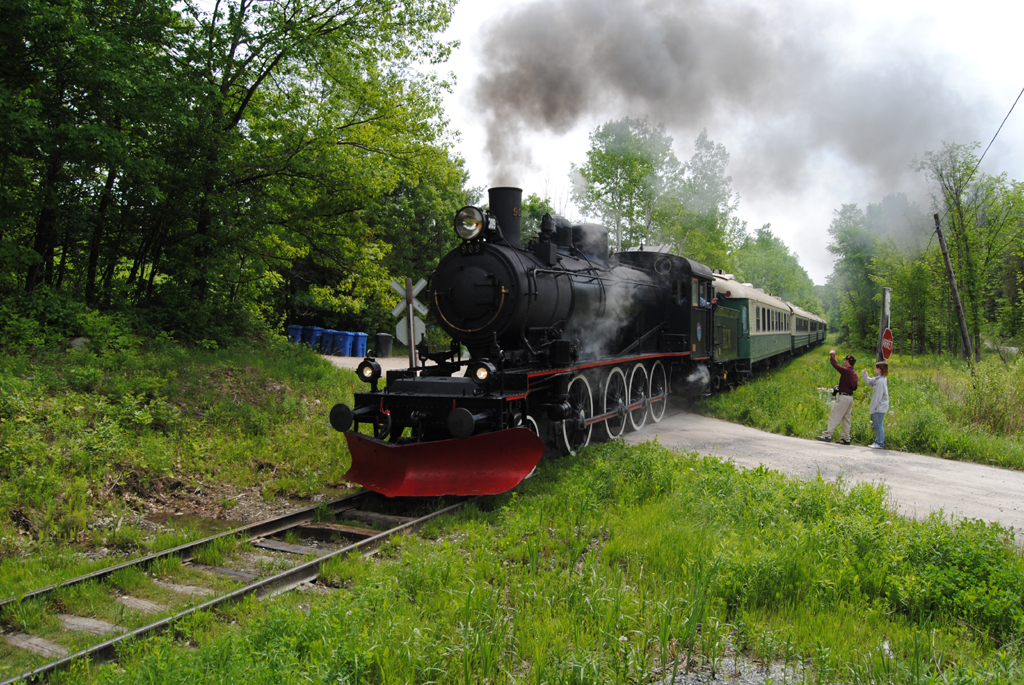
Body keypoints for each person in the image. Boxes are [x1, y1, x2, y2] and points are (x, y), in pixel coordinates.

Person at [816, 349, 858, 445]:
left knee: (834, 415)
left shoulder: (846, 371)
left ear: (848, 361)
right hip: (850, 398)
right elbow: (854, 387)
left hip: (843, 398)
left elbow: (835, 365)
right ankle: (846, 438)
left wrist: (832, 355)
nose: (844, 362)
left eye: (845, 360)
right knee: (846, 419)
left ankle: (827, 435)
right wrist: (841, 387)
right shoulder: (854, 373)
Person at [862, 361, 890, 449]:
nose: (874, 369)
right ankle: (879, 441)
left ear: (879, 369)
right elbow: (870, 382)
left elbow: (878, 397)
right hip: (879, 406)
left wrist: (874, 408)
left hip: (879, 407)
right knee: (877, 424)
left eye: (875, 368)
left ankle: (880, 442)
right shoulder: (880, 379)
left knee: (878, 424)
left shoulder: (881, 382)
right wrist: (865, 375)